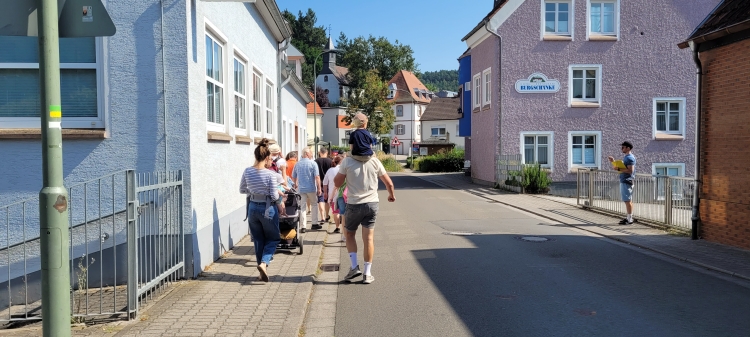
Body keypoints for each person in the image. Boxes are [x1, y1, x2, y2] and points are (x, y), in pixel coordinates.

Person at [334, 155, 396, 284]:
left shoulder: (347, 161)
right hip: (372, 204)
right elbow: (389, 183)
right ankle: (367, 273)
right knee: (368, 238)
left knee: (350, 234)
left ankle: (354, 267)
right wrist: (391, 195)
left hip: (354, 204)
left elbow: (337, 183)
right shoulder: (375, 161)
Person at [239, 138, 286, 282]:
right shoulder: (270, 174)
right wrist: (280, 197)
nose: (271, 161)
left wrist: (254, 191)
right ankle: (264, 263)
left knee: (258, 240)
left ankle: (261, 271)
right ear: (266, 157)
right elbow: (273, 195)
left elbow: (242, 189)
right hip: (267, 209)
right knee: (273, 238)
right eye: (270, 158)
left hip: (252, 207)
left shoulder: (247, 171)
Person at [292, 148, 322, 232]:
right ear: (307, 154)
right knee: (314, 204)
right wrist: (319, 188)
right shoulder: (313, 163)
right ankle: (314, 223)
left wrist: (294, 185)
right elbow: (317, 176)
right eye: (311, 153)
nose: (312, 154)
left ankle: (303, 226)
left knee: (302, 207)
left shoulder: (297, 164)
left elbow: (293, 176)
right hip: (311, 188)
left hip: (301, 189)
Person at [608, 141, 636, 225]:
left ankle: (630, 219)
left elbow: (630, 170)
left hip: (627, 180)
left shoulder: (630, 158)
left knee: (627, 200)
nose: (621, 148)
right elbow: (621, 167)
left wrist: (619, 169)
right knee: (627, 200)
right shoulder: (627, 157)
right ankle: (629, 217)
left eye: (623, 147)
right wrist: (613, 162)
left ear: (628, 148)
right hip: (625, 180)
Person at [323, 156, 343, 233]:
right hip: (344, 194)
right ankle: (344, 228)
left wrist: (325, 192)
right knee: (344, 212)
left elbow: (325, 183)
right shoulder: (344, 170)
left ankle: (337, 227)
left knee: (335, 212)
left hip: (332, 194)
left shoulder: (330, 170)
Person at [315, 147, 334, 224]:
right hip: (328, 183)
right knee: (327, 199)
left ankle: (322, 217)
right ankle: (327, 215)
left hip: (319, 182)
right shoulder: (330, 161)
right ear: (326, 153)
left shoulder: (315, 161)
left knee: (320, 199)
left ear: (320, 153)